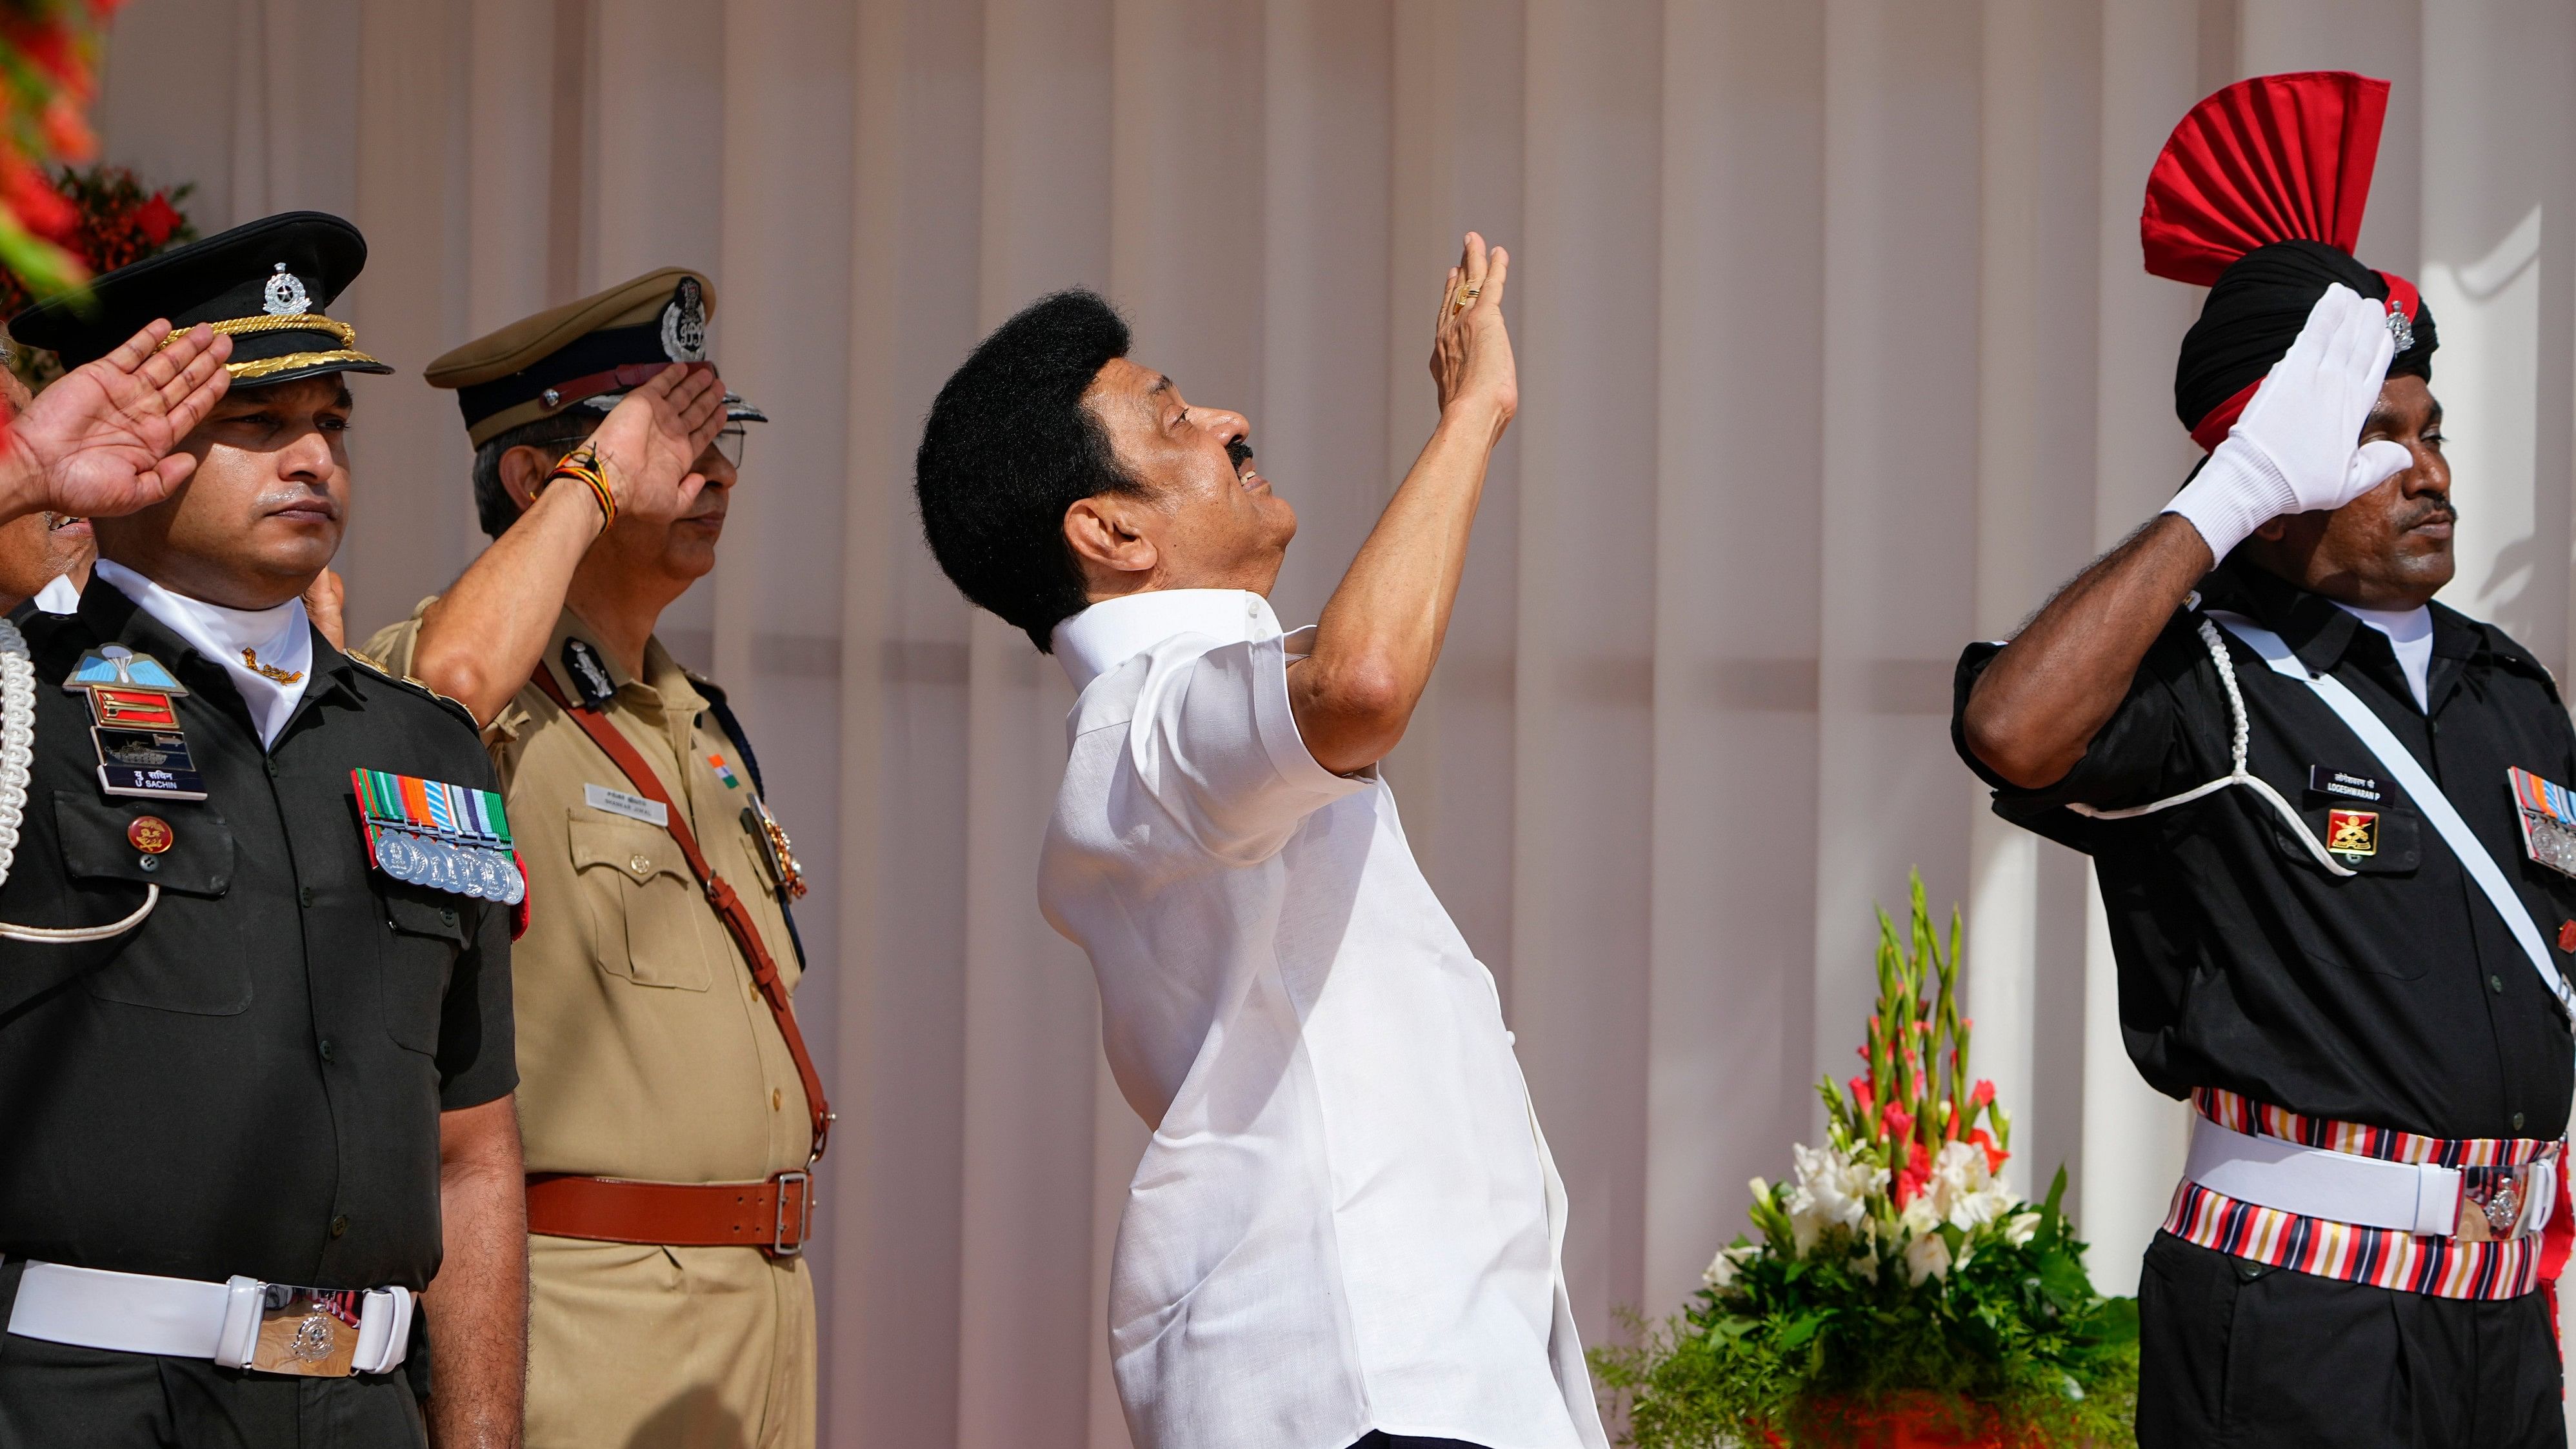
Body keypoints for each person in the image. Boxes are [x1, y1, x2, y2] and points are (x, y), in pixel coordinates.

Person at [1953, 73, 2568, 1446]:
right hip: (2298, 1319)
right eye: (2369, 438)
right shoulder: (2206, 679)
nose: (2426, 473)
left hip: (2498, 1307)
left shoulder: (2506, 693)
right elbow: (2007, 726)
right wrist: (2222, 500)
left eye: (2430, 434)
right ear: (2274, 462)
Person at [915, 237, 1606, 1449]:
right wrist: (1472, 416)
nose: (1229, 421)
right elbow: (1363, 683)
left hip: (1419, 1376)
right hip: (1356, 1389)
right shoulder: (1147, 725)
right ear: (1112, 533)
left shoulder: (1180, 705)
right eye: (1172, 416)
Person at [0, 212, 524, 1448]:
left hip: (362, 1405)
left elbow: (472, 1149)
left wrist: (485, 1434)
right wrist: (22, 470)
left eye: (330, 425)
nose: (312, 461)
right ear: (132, 454)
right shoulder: (21, 693)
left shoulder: (425, 747)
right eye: (258, 427)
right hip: (89, 1400)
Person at [358, 268, 824, 1449]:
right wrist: (597, 478)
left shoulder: (696, 718)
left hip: (759, 1312)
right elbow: (448, 683)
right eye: (671, 440)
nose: (713, 474)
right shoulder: (471, 676)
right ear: (543, 473)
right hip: (590, 1308)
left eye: (723, 441)